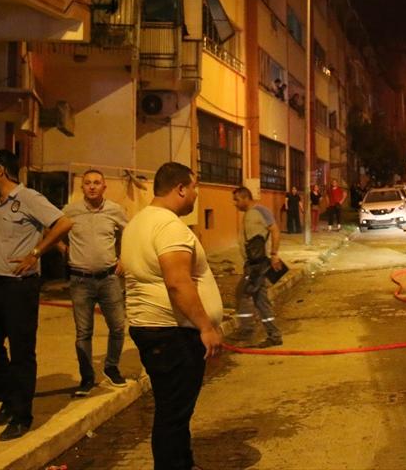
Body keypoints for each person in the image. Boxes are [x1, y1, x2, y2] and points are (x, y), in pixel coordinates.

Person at [122, 162, 224, 470]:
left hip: (153, 328)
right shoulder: (169, 227)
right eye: (193, 188)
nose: (195, 195)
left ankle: (183, 462)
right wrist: (206, 327)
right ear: (180, 189)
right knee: (173, 413)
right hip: (172, 332)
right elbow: (178, 282)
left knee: (174, 409)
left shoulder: (137, 223)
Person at [0, 149, 74, 441]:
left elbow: (63, 223)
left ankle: (21, 415)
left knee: (21, 351)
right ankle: (8, 397)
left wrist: (35, 253)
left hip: (19, 288)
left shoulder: (28, 198)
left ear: (1, 170)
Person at [60, 169, 128, 397]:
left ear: (104, 187)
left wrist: (124, 258)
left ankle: (111, 367)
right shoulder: (70, 211)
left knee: (118, 326)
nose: (92, 186)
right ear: (82, 188)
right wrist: (63, 249)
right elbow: (51, 229)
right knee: (83, 332)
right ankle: (87, 377)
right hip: (80, 280)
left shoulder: (114, 210)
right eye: (87, 183)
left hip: (109, 279)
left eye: (96, 183)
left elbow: (129, 233)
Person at [229, 186, 284, 348]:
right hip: (252, 264)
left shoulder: (261, 211)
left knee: (247, 295)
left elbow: (275, 231)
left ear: (246, 198)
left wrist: (274, 254)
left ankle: (251, 331)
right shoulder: (249, 214)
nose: (234, 203)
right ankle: (269, 333)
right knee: (257, 298)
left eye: (237, 200)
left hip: (258, 265)